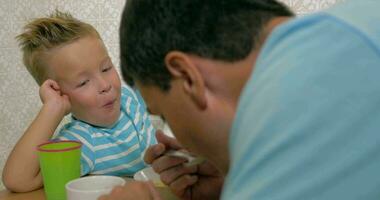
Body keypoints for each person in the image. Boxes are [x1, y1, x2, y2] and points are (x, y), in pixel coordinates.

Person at [101, 0, 380, 199]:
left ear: (187, 77)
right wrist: (236, 180)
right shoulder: (352, 26)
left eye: (164, 114)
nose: (181, 143)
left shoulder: (289, 113)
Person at [1, 10, 156, 192]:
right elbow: (17, 179)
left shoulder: (130, 98)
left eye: (106, 68)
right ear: (59, 94)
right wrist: (52, 109)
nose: (105, 85)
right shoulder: (83, 141)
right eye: (83, 82)